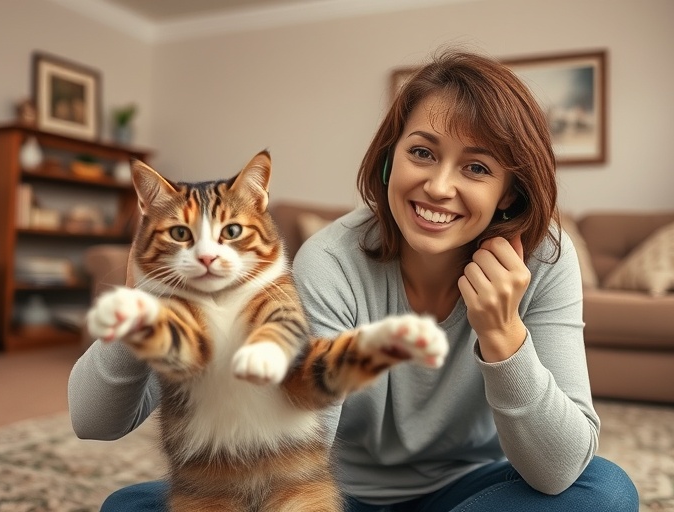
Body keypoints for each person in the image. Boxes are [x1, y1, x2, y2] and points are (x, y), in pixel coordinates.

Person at [68, 49, 640, 511]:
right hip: (333, 492)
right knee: (131, 507)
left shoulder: (547, 260)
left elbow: (559, 469)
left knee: (605, 493)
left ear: (508, 192)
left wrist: (503, 337)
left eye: (477, 167)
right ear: (391, 158)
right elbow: (292, 447)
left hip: (475, 493)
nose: (439, 187)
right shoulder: (331, 260)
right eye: (422, 152)